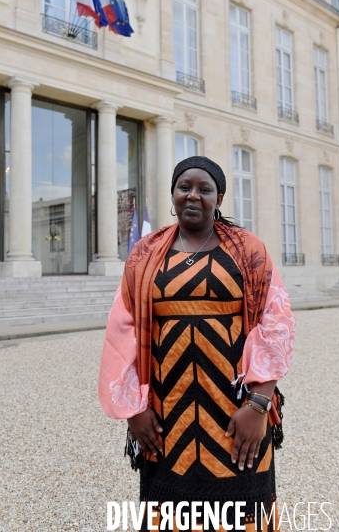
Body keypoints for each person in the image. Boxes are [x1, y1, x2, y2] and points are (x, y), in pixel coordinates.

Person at [99, 156, 296, 531]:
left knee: (242, 514)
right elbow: (121, 333)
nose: (193, 195)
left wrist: (258, 404)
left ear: (218, 197)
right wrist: (133, 410)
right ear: (172, 194)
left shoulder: (248, 250)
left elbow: (277, 324)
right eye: (184, 187)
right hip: (165, 416)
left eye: (204, 189)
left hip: (238, 415)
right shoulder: (145, 255)